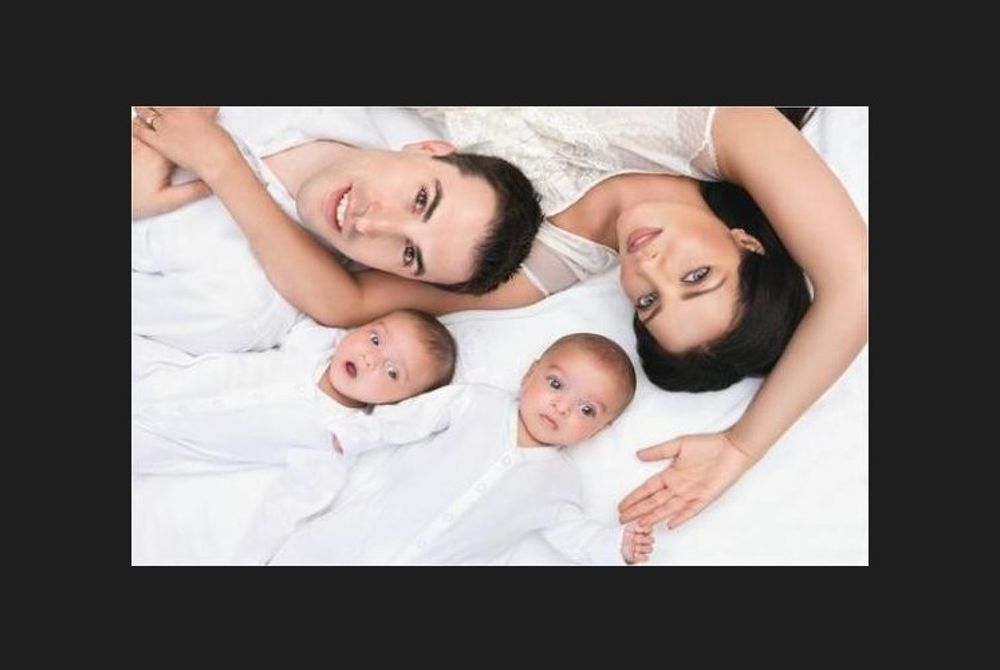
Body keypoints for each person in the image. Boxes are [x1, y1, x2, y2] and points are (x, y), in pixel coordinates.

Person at [133, 106, 867, 532]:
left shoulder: (549, 263)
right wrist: (742, 446)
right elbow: (857, 284)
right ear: (747, 241)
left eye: (647, 302)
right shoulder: (719, 124)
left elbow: (342, 303)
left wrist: (219, 163)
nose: (651, 267)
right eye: (697, 277)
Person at [131, 107, 543, 354]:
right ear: (428, 149)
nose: (369, 224)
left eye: (408, 254)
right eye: (420, 199)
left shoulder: (239, 306)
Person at [234, 333, 654, 565]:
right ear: (530, 374)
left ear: (600, 429)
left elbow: (572, 535)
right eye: (556, 384)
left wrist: (614, 545)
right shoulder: (476, 402)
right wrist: (360, 432)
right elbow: (409, 419)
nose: (561, 406)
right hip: (353, 539)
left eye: (585, 409)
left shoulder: (560, 484)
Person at [132, 309, 456, 474]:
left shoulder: (344, 431)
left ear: (399, 401)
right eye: (374, 339)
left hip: (177, 441)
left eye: (392, 371)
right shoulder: (316, 343)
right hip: (174, 375)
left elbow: (417, 421)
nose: (371, 358)